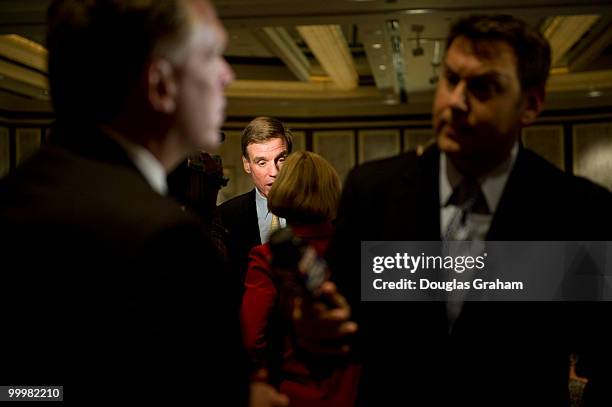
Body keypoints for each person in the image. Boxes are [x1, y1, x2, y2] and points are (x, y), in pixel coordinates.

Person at [313, 14, 612, 406]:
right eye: (451, 79)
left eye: (483, 87)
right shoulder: (373, 191)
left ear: (531, 104)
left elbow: (601, 352)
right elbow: (347, 332)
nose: (456, 101)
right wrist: (317, 329)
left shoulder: (578, 210)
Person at [0, 1, 286, 405]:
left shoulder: (18, 194)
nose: (227, 74)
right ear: (161, 84)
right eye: (209, 55)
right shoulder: (165, 239)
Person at [242, 151, 361, 407]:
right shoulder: (361, 252)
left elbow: (252, 337)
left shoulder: (266, 257)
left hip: (293, 394)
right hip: (354, 390)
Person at [218, 116, 293, 283]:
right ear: (246, 164)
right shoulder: (225, 217)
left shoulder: (314, 210)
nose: (274, 171)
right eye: (261, 162)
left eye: (281, 159)